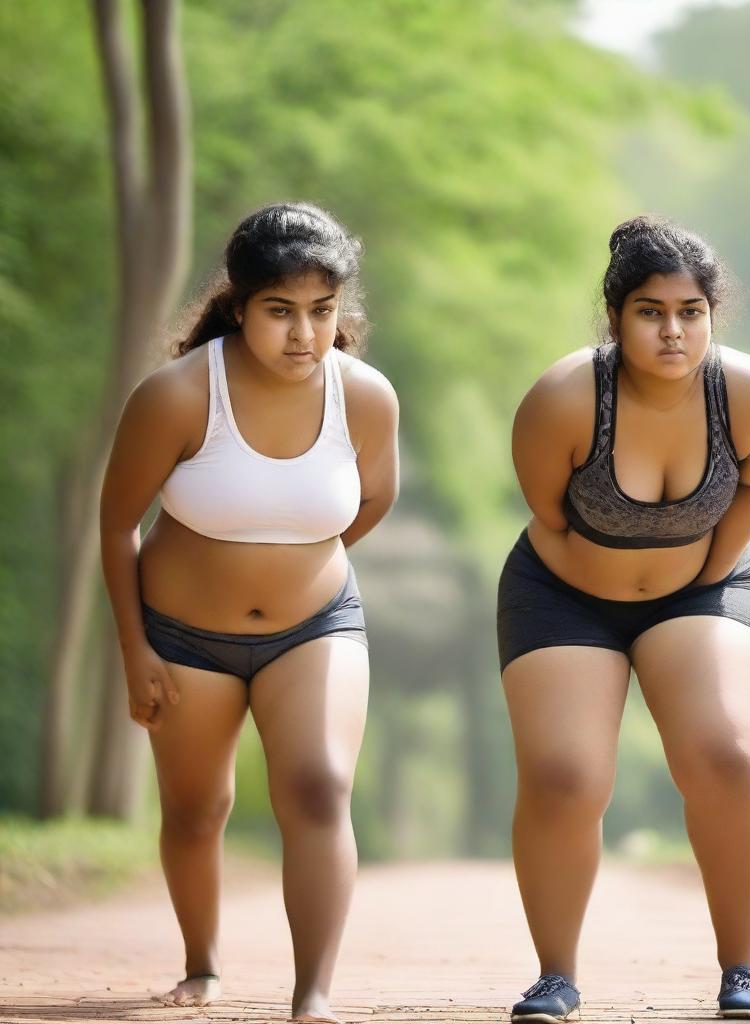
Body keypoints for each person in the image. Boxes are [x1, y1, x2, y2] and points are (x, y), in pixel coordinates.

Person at [99, 202, 399, 1024]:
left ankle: (313, 996)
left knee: (320, 787)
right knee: (198, 811)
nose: (304, 334)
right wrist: (136, 651)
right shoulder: (177, 397)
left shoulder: (366, 397)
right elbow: (118, 521)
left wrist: (298, 561)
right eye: (280, 312)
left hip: (316, 626)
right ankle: (202, 962)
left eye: (322, 312)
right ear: (239, 305)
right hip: (183, 638)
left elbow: (372, 500)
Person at [498, 215, 750, 1022]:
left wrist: (704, 568)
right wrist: (610, 592)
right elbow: (552, 520)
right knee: (567, 777)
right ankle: (554, 975)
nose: (673, 330)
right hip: (565, 591)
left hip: (707, 585)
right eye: (650, 312)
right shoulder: (562, 399)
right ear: (615, 318)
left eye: (690, 311)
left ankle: (741, 968)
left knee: (728, 757)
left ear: (712, 314)